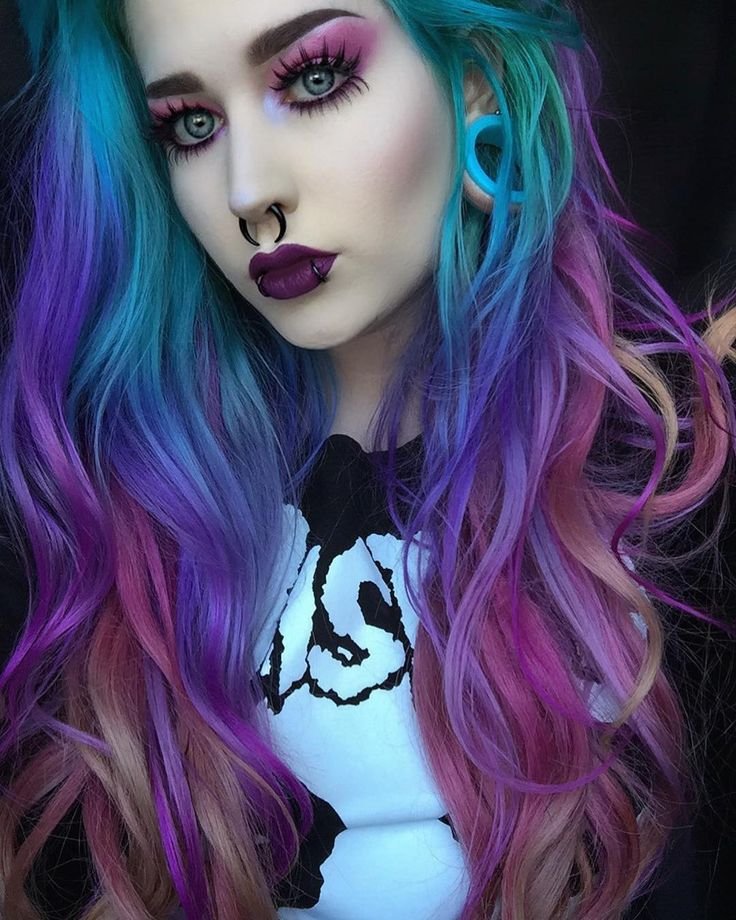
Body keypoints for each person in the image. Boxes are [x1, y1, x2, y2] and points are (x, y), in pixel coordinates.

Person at [0, 1, 734, 918]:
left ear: (476, 87)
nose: (249, 193)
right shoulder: (105, 506)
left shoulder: (677, 468)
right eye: (191, 126)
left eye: (314, 79)